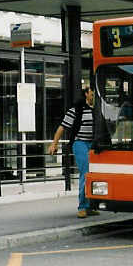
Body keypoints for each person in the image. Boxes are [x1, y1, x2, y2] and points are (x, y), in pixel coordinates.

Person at [48, 86, 98, 217]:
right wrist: (54, 143)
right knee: (86, 173)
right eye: (92, 94)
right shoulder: (76, 109)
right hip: (80, 143)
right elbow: (62, 127)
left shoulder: (97, 110)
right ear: (86, 94)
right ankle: (82, 206)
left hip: (93, 144)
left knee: (95, 174)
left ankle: (90, 205)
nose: (94, 97)